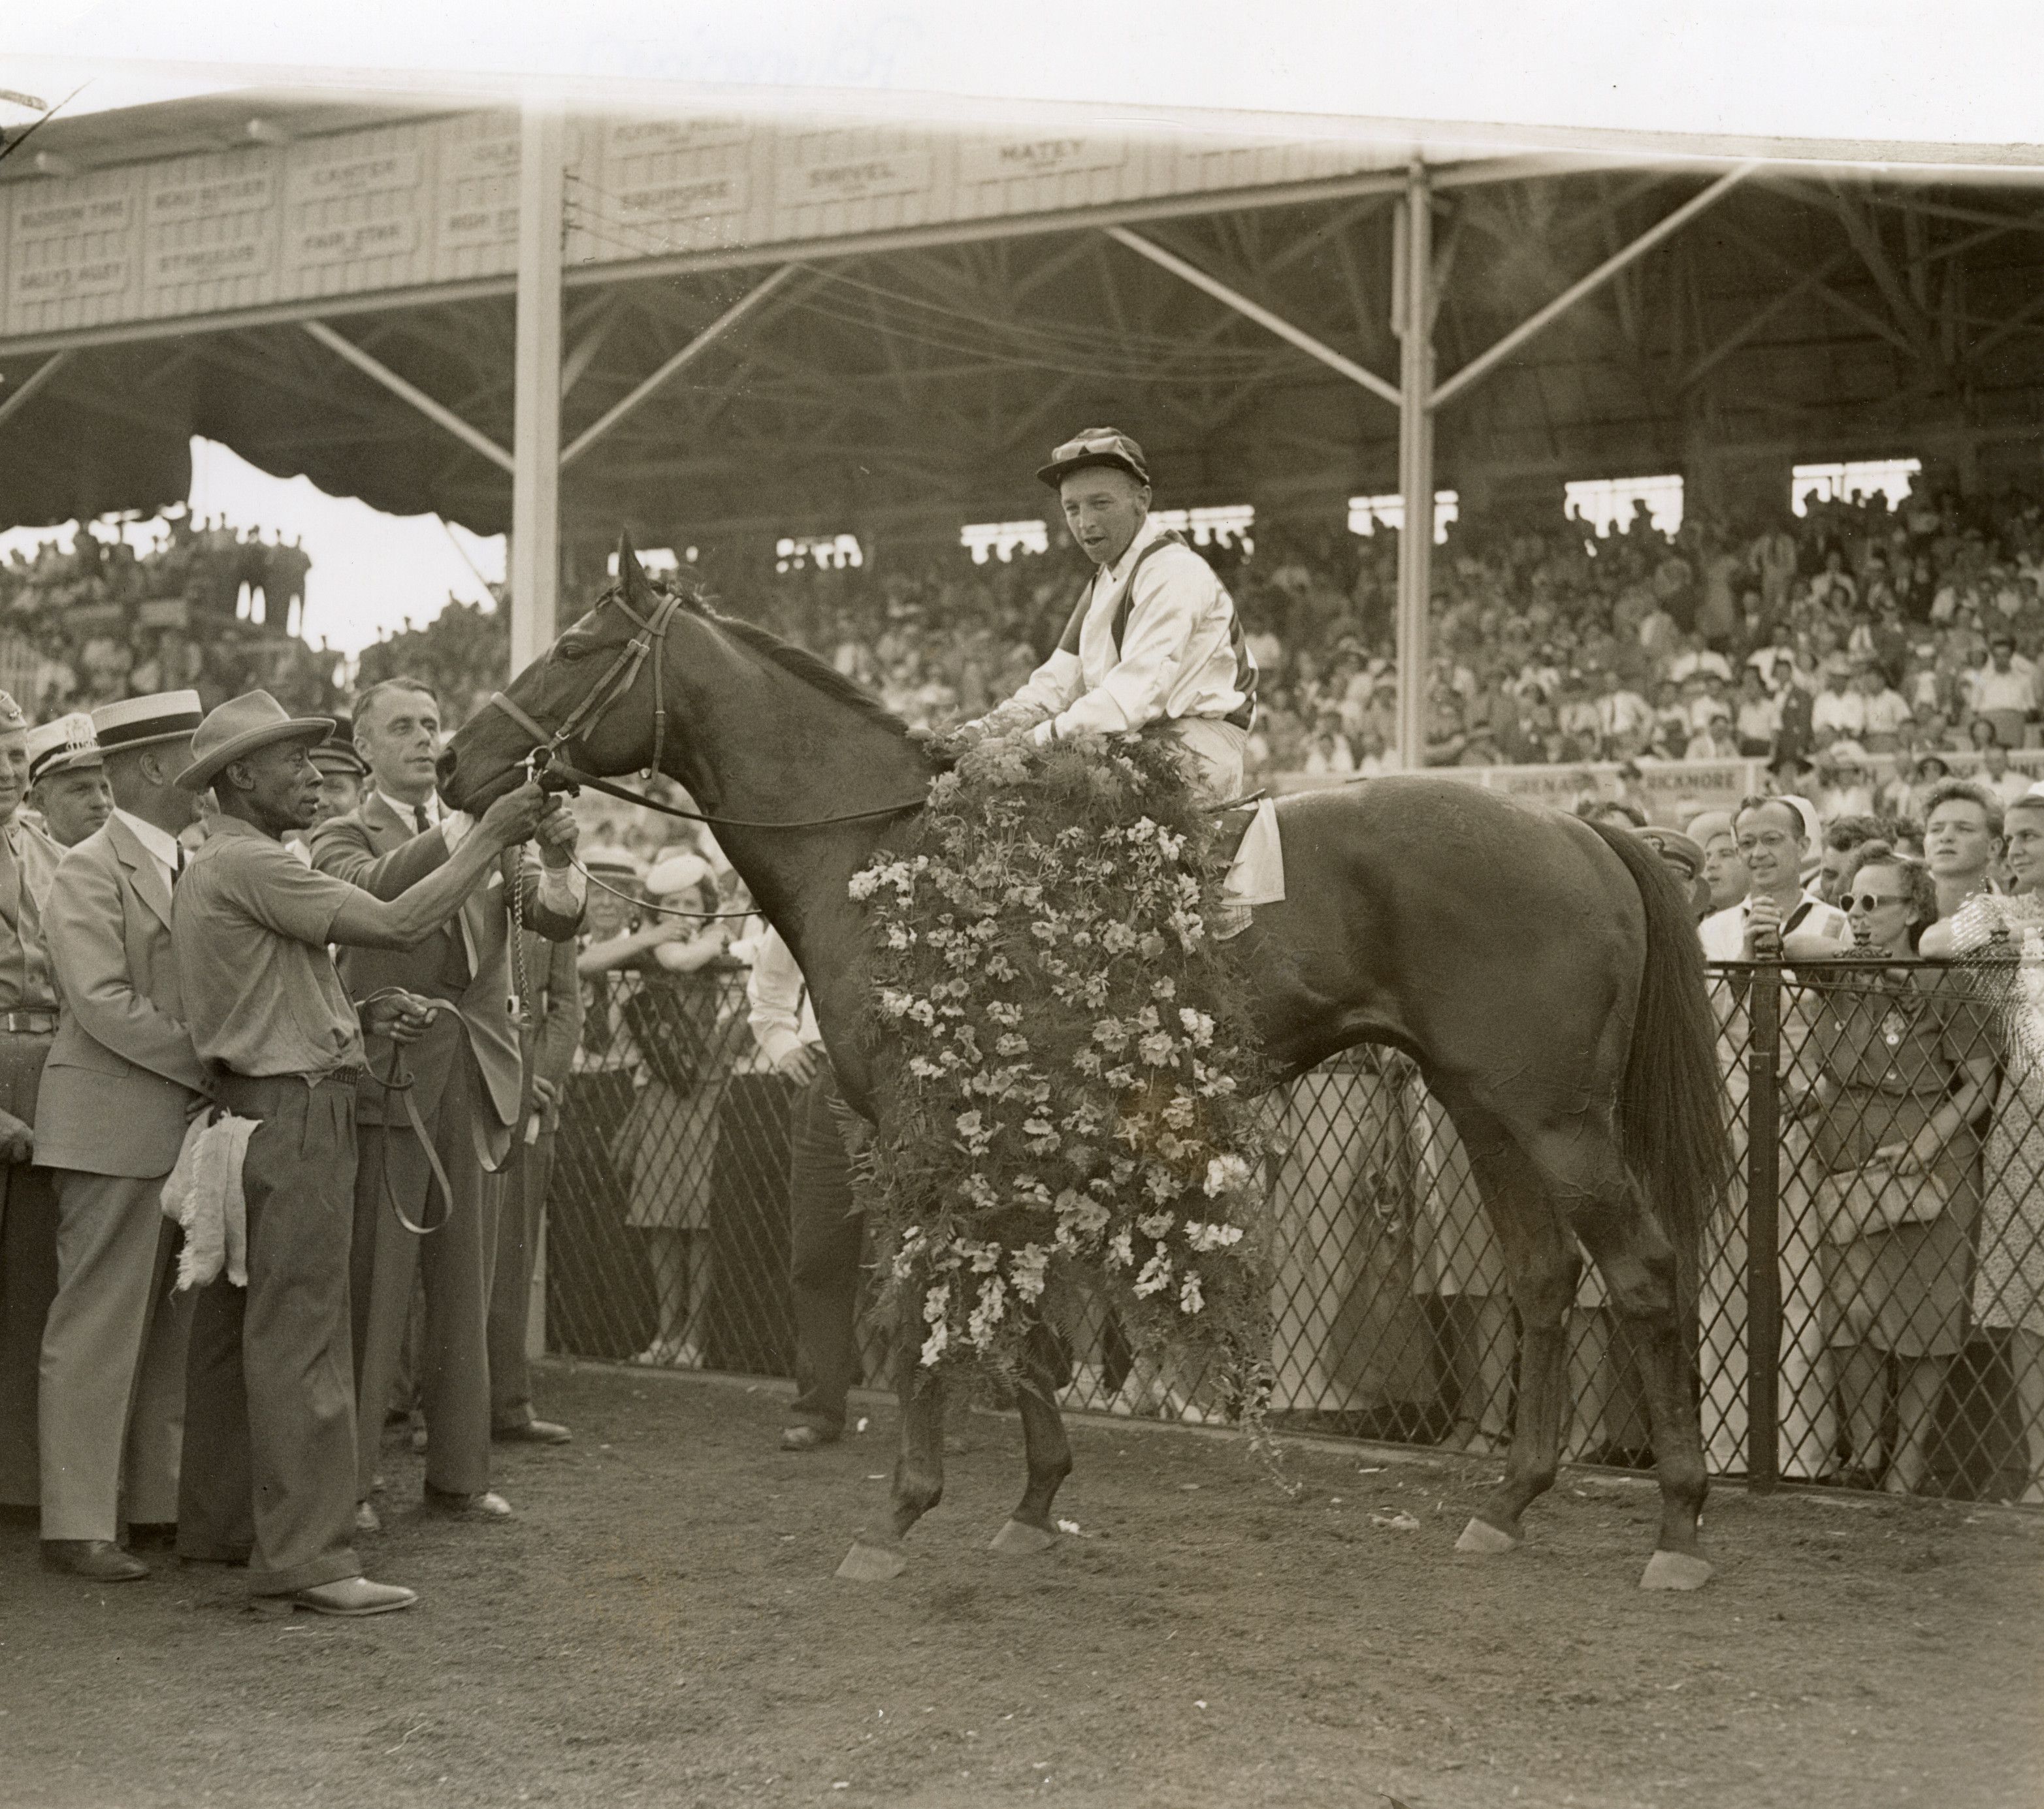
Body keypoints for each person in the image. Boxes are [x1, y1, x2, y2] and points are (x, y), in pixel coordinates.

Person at [171, 690, 549, 1616]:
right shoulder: (256, 860)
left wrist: (360, 1014)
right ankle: (309, 1561)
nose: (311, 774)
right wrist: (490, 831)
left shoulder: (221, 861)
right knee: (304, 1341)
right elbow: (403, 921)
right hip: (296, 1124)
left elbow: (272, 989)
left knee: (235, 1341)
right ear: (239, 778)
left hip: (245, 1115)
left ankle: (225, 1532)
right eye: (292, 760)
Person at [310, 677, 585, 1533]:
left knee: (467, 1284)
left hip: (478, 1074)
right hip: (389, 1078)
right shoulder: (341, 833)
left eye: (432, 724)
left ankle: (460, 1477)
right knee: (376, 1290)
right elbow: (379, 895)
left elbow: (551, 920)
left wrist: (565, 856)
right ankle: (350, 1484)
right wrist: (479, 827)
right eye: (403, 727)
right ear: (364, 749)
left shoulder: (488, 833)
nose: (425, 739)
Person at [33, 692, 205, 1580]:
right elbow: (101, 1003)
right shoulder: (91, 867)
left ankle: (153, 1501)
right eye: (195, 751)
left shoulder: (192, 859)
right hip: (111, 1119)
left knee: (172, 1318)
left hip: (178, 1122)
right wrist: (213, 1060)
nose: (210, 768)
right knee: (99, 1323)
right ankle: (77, 1521)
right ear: (152, 767)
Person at [1802, 844, 1997, 1493]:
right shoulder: (1844, 977)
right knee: (1850, 1315)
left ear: (1914, 909)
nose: (1857, 914)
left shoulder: (1945, 981)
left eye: (1875, 902)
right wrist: (1866, 957)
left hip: (1927, 1164)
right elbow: (1789, 947)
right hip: (1847, 1155)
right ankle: (1862, 1455)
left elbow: (1978, 1085)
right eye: (1851, 901)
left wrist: (1927, 1143)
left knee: (1924, 1318)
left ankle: (1906, 1466)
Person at [958, 428, 1257, 802]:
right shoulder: (1105, 580)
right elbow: (1054, 684)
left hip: (1200, 745)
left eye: (1100, 504)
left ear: (1142, 501)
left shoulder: (1172, 571)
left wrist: (1023, 743)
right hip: (1139, 737)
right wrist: (975, 734)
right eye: (1072, 508)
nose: (1085, 523)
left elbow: (1127, 700)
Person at [1943, 794, 2044, 1503]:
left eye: (2033, 837)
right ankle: (2041, 1465)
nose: (2019, 851)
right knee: (2026, 1300)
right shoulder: (1999, 912)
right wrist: (1999, 934)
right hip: (2026, 1121)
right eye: (2012, 840)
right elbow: (1931, 942)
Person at [747, 923, 866, 1449]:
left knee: (917, 1253)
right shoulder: (814, 894)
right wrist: (780, 1042)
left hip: (911, 1079)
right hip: (829, 1081)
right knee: (819, 1252)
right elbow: (770, 990)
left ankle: (929, 1412)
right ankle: (820, 1409)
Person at [618, 851, 734, 1369]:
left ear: (707, 906)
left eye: (691, 903)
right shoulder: (660, 946)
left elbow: (689, 962)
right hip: (664, 1092)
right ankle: (665, 1333)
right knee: (659, 1218)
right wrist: (664, 935)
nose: (682, 912)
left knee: (699, 1220)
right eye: (671, 904)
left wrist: (709, 939)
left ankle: (694, 1337)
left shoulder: (720, 944)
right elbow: (669, 961)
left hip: (709, 1093)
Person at [0, 690, 65, 1519]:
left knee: (32, 1292)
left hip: (47, 1063)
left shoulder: (47, 849)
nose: (7, 773)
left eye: (16, 756)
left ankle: (15, 1488)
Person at [486, 903, 583, 1449]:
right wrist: (510, 1078)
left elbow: (567, 1005)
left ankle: (508, 1404)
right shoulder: (465, 869)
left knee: (517, 1253)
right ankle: (439, 1409)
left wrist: (539, 1079)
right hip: (477, 1089)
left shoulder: (550, 894)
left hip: (536, 1102)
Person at [1916, 780, 2003, 935]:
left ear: (1993, 848)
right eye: (1936, 830)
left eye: (1964, 829)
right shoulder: (1902, 918)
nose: (1946, 837)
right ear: (1925, 846)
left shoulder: (2016, 917)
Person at [24, 714, 112, 850]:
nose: (101, 802)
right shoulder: (27, 868)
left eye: (106, 787)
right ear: (40, 801)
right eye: (81, 789)